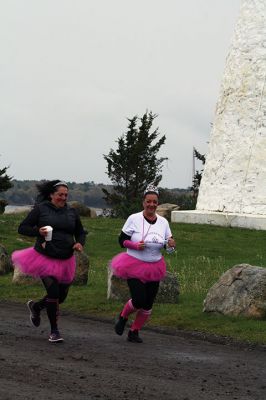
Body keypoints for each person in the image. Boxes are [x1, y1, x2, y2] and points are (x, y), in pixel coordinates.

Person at [12, 180, 87, 343]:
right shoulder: (41, 209)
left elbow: (81, 232)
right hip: (44, 257)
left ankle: (36, 307)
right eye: (60, 194)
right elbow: (22, 228)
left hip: (66, 259)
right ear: (52, 195)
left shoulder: (72, 212)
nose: (63, 197)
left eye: (66, 195)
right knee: (53, 293)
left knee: (61, 297)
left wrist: (79, 242)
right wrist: (38, 231)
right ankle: (54, 331)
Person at [110, 184, 176, 343]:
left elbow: (168, 247)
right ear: (143, 202)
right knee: (139, 300)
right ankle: (123, 316)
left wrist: (171, 246)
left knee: (147, 304)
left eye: (155, 202)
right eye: (149, 201)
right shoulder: (134, 219)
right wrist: (134, 245)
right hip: (134, 265)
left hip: (155, 266)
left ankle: (134, 332)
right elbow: (121, 241)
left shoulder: (163, 222)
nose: (152, 205)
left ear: (157, 203)